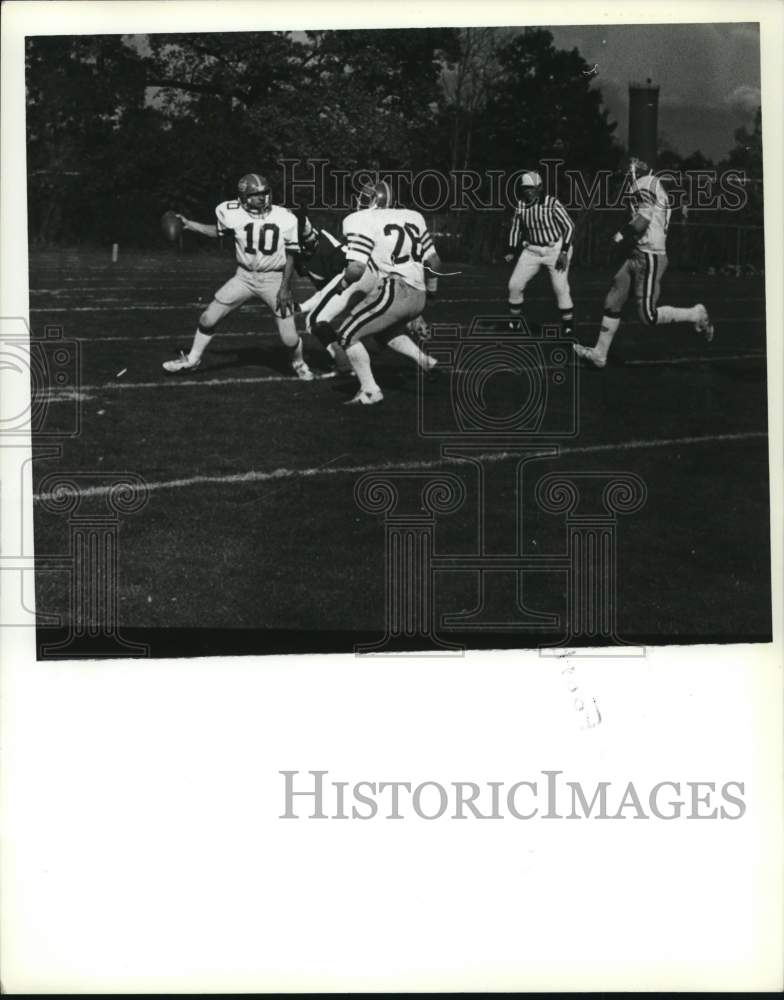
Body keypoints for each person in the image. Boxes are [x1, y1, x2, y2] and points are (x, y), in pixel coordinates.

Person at [162, 173, 314, 380]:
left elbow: (291, 253)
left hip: (274, 279)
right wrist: (189, 225)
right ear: (243, 197)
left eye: (265, 193)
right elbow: (220, 232)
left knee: (289, 338)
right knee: (207, 319)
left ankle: (299, 362)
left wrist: (285, 288)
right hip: (244, 277)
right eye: (256, 194)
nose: (262, 198)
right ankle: (193, 359)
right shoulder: (231, 212)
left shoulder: (285, 216)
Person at [573, 157, 713, 368]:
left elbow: (643, 220)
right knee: (614, 297)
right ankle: (600, 354)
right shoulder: (649, 183)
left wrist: (619, 236)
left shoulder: (644, 184)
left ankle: (695, 314)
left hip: (650, 255)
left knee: (647, 315)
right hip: (639, 252)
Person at [310, 180, 440, 406]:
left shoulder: (359, 219)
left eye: (364, 197)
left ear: (374, 200)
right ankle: (426, 362)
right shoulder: (413, 216)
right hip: (418, 293)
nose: (360, 201)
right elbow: (435, 262)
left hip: (394, 289)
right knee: (385, 331)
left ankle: (370, 391)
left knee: (347, 335)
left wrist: (342, 285)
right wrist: (431, 293)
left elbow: (356, 269)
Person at [505, 170, 576, 334]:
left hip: (554, 249)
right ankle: (515, 322)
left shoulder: (552, 203)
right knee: (514, 285)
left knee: (560, 287)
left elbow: (569, 226)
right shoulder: (521, 205)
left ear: (540, 187)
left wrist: (564, 252)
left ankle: (568, 326)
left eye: (531, 187)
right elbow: (516, 228)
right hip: (531, 250)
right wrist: (511, 248)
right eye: (525, 188)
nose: (528, 191)